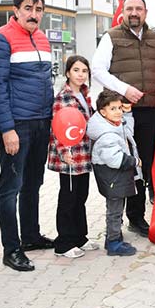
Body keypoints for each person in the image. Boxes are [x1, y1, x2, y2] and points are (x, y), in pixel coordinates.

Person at [0, 0, 54, 272]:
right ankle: (11, 249)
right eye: (28, 8)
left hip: (42, 122)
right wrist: (7, 129)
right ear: (16, 10)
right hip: (17, 125)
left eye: (38, 9)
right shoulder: (0, 39)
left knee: (34, 183)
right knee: (10, 187)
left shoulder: (42, 38)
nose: (33, 14)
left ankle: (31, 236)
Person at [92, 0, 155, 237]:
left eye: (138, 9)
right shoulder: (111, 37)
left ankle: (136, 218)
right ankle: (115, 222)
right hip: (121, 114)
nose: (134, 13)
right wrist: (124, 90)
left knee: (143, 164)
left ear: (145, 12)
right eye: (129, 9)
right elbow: (97, 69)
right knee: (123, 164)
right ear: (123, 12)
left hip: (150, 110)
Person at [47, 55, 101, 258]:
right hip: (70, 155)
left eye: (84, 71)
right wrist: (63, 152)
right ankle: (64, 243)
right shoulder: (64, 96)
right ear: (68, 72)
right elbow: (58, 124)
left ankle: (80, 237)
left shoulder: (85, 94)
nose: (81, 74)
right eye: (76, 70)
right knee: (68, 198)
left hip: (84, 154)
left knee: (81, 196)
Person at [86, 90, 142, 257]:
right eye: (113, 109)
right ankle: (113, 243)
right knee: (115, 211)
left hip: (117, 178)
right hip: (113, 177)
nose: (118, 112)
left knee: (116, 209)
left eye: (119, 108)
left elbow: (128, 130)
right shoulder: (106, 134)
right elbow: (115, 160)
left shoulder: (116, 123)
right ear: (103, 112)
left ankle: (113, 237)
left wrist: (128, 112)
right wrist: (134, 161)